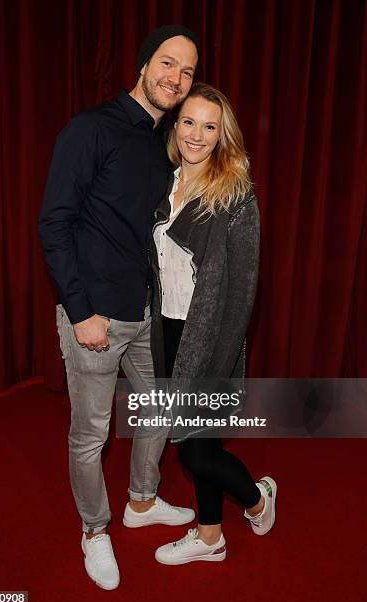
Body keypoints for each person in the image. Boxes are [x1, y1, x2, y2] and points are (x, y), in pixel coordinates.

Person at [38, 25, 200, 590]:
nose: (176, 78)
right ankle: (94, 530)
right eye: (168, 63)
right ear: (143, 64)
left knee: (159, 412)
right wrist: (80, 311)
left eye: (186, 72)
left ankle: (141, 500)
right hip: (95, 319)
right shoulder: (91, 130)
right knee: (92, 433)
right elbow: (54, 222)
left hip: (145, 314)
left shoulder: (165, 144)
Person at [150, 82, 277, 565]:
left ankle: (259, 498)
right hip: (167, 331)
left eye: (209, 125)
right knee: (196, 444)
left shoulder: (235, 196)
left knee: (196, 453)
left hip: (209, 339)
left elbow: (243, 290)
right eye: (188, 122)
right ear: (175, 125)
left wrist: (221, 358)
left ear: (223, 134)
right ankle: (209, 536)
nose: (197, 135)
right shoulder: (166, 182)